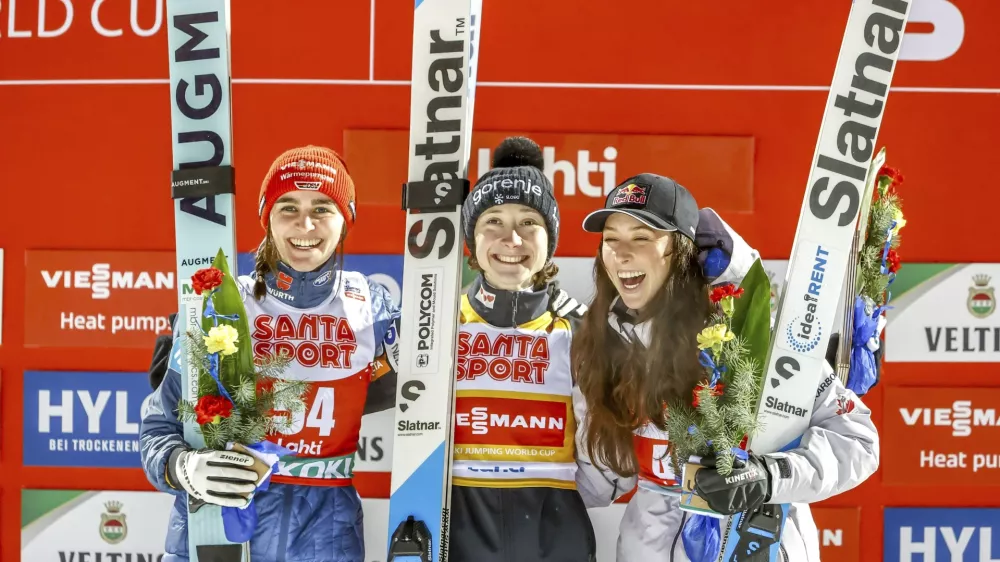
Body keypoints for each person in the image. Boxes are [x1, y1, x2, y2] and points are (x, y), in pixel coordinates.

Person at [570, 173, 880, 561]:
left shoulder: (748, 336)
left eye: (642, 238)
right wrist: (493, 483)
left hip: (754, 543)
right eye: (611, 240)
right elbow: (598, 477)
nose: (621, 254)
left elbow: (858, 441)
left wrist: (769, 477)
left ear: (679, 249)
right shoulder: (604, 344)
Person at [139, 145, 401, 562]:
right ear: (266, 218)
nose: (306, 224)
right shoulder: (223, 304)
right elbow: (158, 427)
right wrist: (182, 468)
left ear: (345, 220)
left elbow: (422, 399)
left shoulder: (374, 307)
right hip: (222, 528)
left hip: (326, 537)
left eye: (322, 207)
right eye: (288, 207)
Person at [446, 136, 609, 562]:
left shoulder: (583, 327)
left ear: (549, 238)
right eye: (493, 222)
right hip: (460, 534)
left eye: (528, 223)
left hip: (554, 539)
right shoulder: (438, 326)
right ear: (473, 241)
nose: (511, 238)